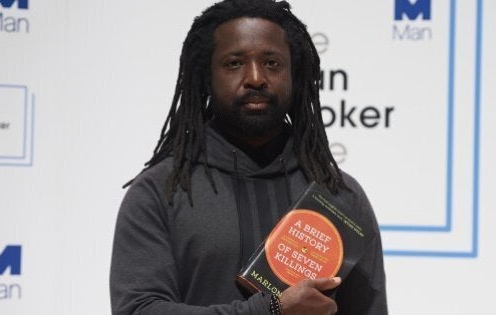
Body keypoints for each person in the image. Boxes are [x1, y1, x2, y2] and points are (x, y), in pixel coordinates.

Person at [109, 0, 388, 314]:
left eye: (272, 63)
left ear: (295, 75)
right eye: (234, 63)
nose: (255, 77)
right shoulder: (162, 191)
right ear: (206, 76)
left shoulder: (339, 196)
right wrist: (269, 310)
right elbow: (138, 310)